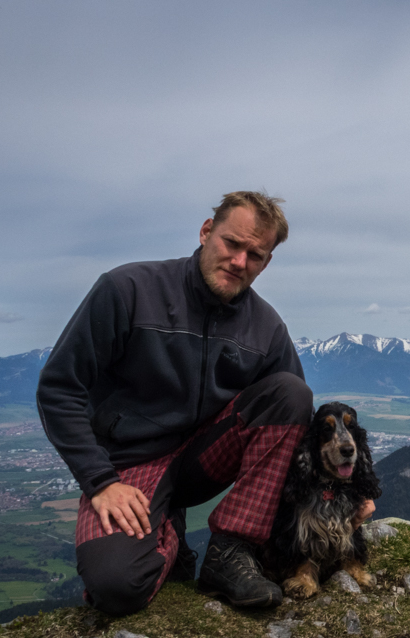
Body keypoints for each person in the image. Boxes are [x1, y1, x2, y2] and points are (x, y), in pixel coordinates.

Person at [37, 191, 371, 616]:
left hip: (207, 457)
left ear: (266, 263)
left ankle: (229, 553)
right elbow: (59, 387)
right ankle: (169, 535)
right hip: (131, 462)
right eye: (232, 243)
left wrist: (349, 486)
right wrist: (101, 481)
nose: (239, 261)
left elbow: (298, 428)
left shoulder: (266, 327)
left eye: (255, 254)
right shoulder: (128, 290)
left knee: (291, 392)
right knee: (116, 587)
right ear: (205, 232)